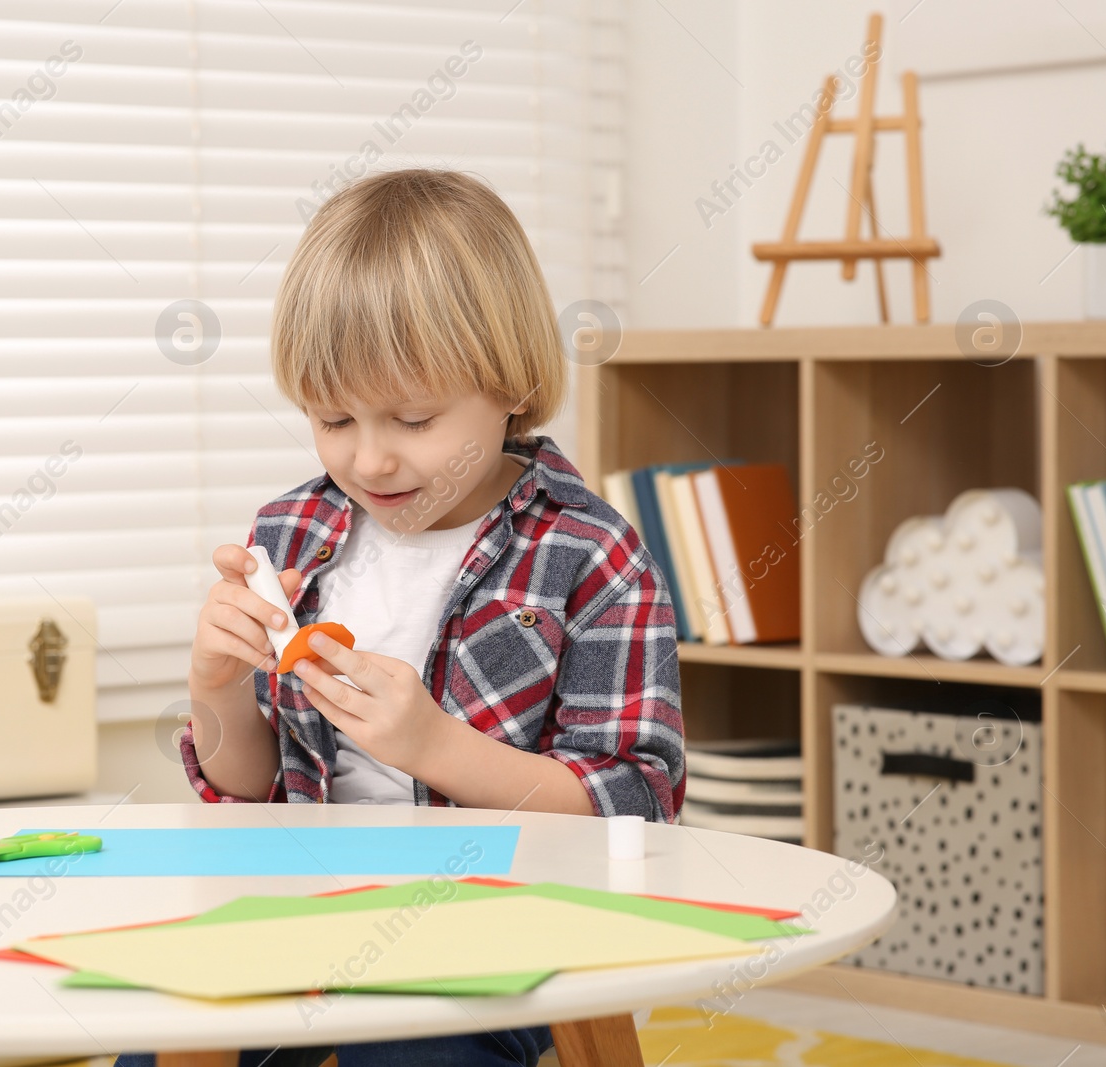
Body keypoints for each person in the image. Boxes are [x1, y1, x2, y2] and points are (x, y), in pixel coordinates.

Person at [116, 168, 684, 1067]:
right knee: (164, 1037)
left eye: (414, 418)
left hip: (497, 921)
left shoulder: (590, 555)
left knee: (416, 1055)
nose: (370, 458)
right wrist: (214, 687)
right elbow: (249, 795)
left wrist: (435, 746)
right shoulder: (291, 534)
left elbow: (635, 808)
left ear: (509, 385)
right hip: (301, 913)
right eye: (333, 416)